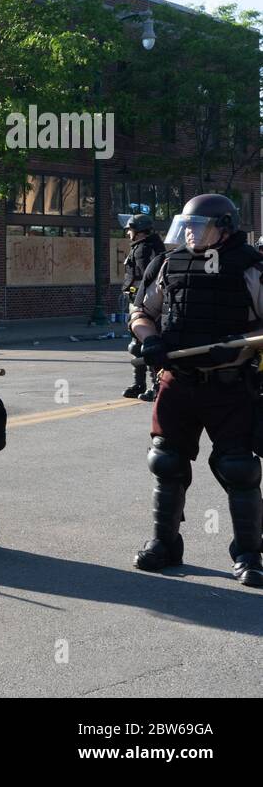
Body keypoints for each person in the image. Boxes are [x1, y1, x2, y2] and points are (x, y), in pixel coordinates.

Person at [129, 194, 263, 588]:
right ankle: (164, 543)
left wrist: (242, 341)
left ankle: (249, 554)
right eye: (185, 225)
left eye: (197, 225)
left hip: (229, 384)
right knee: (166, 461)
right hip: (177, 382)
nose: (188, 231)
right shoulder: (169, 263)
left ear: (224, 227)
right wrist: (148, 339)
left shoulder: (249, 266)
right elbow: (142, 312)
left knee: (238, 468)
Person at [120, 212, 166, 400]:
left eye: (130, 229)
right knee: (138, 345)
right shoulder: (149, 246)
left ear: (138, 231)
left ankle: (155, 386)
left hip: (145, 304)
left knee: (146, 344)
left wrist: (137, 298)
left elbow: (147, 279)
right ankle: (140, 384)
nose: (128, 233)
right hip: (141, 301)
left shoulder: (145, 249)